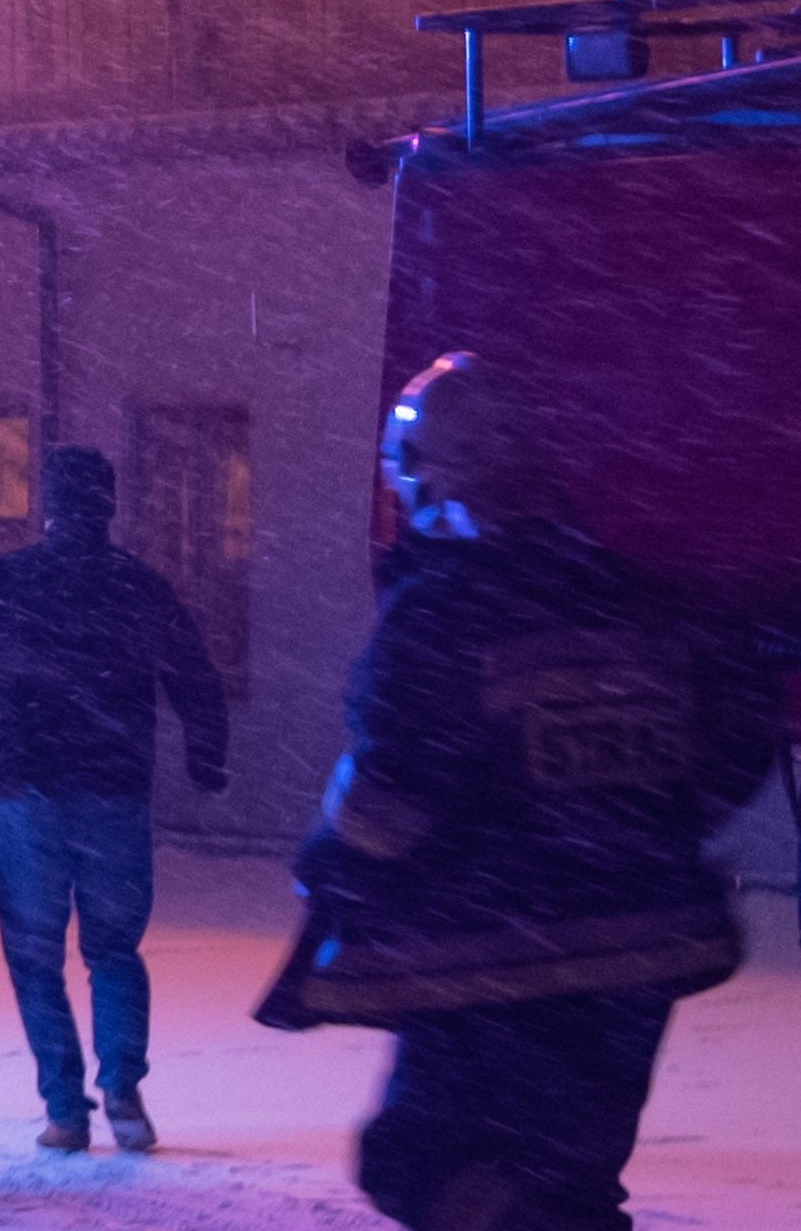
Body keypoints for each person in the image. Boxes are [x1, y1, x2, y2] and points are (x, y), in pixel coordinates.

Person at [259, 353, 774, 1229]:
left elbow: (394, 789)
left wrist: (332, 868)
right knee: (570, 1181)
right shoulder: (638, 600)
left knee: (420, 1164)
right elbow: (733, 739)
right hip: (638, 952)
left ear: (433, 479)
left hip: (489, 955)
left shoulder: (444, 613)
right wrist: (641, 828)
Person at [0, 444, 227, 1153]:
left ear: (45, 505)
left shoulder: (5, 578)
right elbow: (193, 671)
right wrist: (206, 756)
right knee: (113, 947)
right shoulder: (139, 585)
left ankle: (64, 1110)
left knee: (34, 954)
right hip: (115, 786)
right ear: (108, 505)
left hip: (25, 788)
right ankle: (124, 1092)